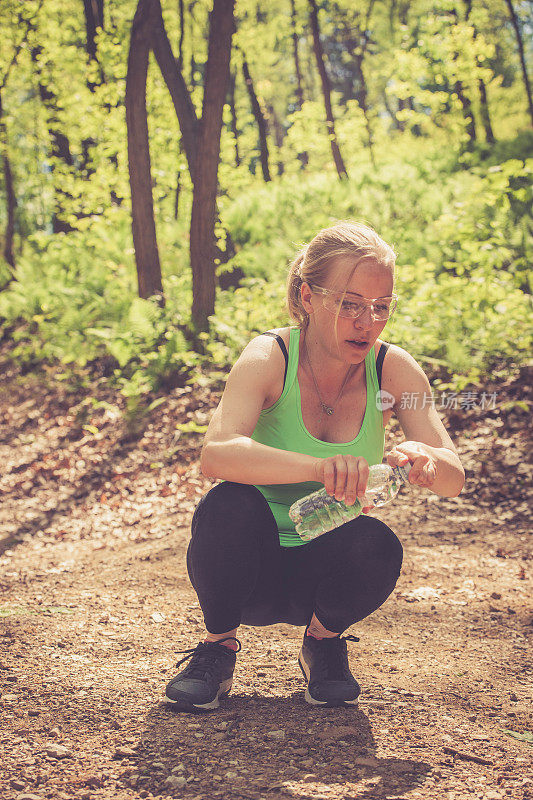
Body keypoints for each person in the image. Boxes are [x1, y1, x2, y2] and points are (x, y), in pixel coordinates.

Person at [164, 221, 465, 712]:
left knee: (377, 543)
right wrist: (319, 467)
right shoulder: (269, 355)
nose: (367, 322)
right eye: (350, 304)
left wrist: (428, 460)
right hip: (247, 566)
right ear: (307, 296)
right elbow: (215, 454)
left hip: (322, 567)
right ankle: (218, 648)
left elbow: (454, 476)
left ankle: (323, 643)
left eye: (380, 307)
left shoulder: (393, 367)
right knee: (226, 505)